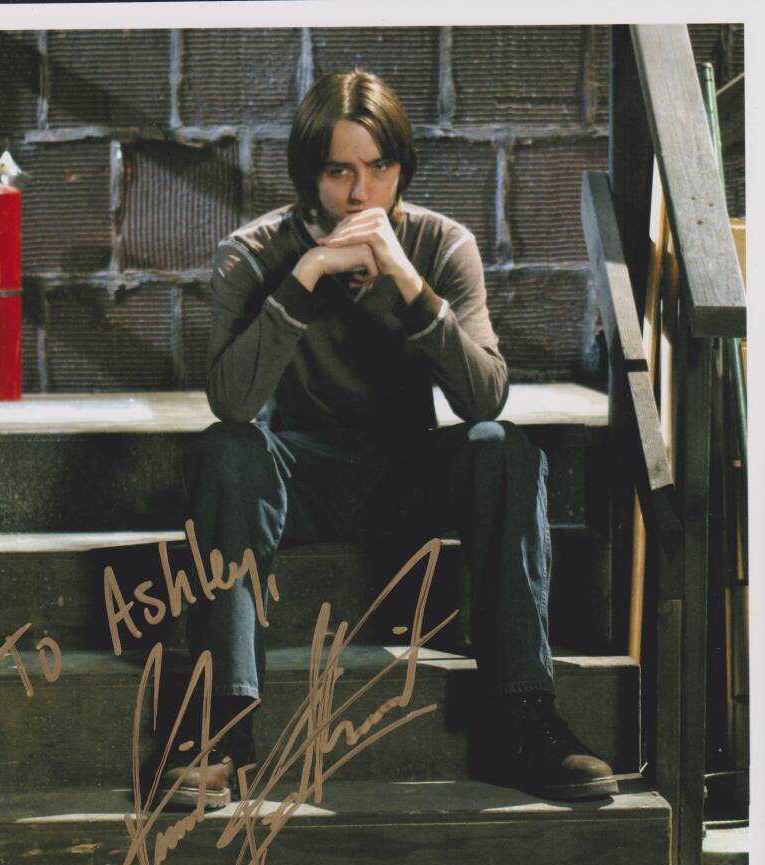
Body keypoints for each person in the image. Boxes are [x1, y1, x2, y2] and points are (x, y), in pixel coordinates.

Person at [161, 69, 617, 809]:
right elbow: (234, 403)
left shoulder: (441, 243)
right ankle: (224, 728)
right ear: (309, 175)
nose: (360, 193)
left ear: (401, 168)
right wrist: (307, 273)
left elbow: (483, 396)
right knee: (225, 449)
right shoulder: (252, 252)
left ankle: (523, 718)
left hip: (408, 477)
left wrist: (408, 281)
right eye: (339, 171)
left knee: (502, 446)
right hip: (301, 476)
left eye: (379, 168)